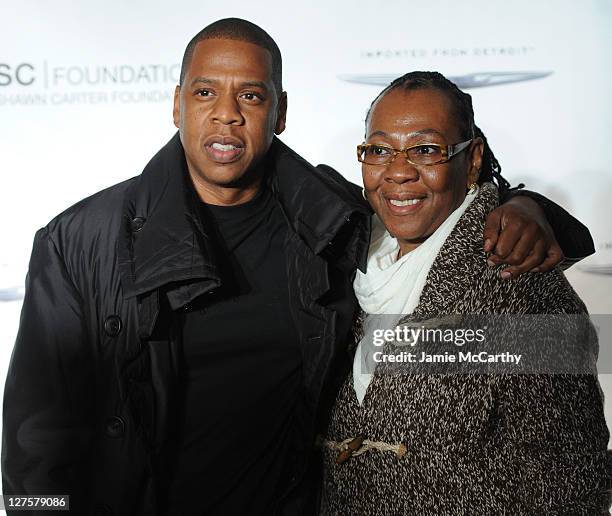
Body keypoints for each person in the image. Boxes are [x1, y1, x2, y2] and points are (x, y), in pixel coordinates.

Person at [0, 19, 596, 516]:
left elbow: (434, 200)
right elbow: (34, 442)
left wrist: (527, 208)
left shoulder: (330, 219)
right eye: (206, 93)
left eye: (251, 96)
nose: (227, 115)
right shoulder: (80, 240)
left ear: (280, 112)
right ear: (176, 105)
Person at [321, 71, 612, 515]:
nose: (398, 171)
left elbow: (570, 482)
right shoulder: (347, 252)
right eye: (379, 150)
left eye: (426, 149)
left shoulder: (521, 288)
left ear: (472, 159)